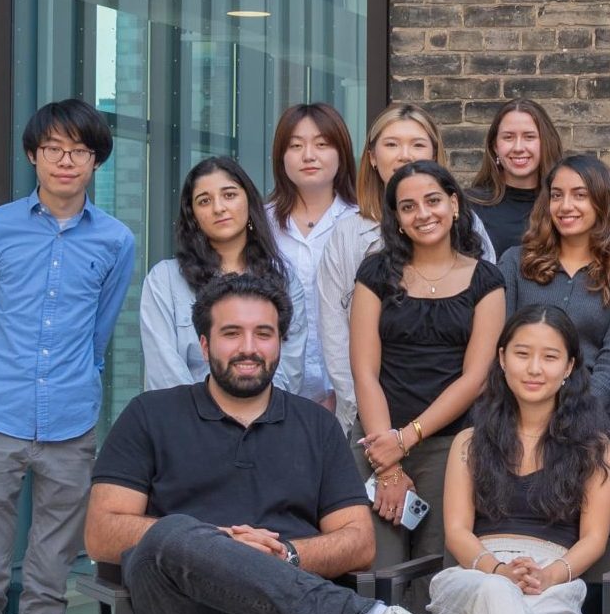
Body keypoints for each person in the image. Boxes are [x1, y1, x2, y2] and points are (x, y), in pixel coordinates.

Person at [86, 274, 458, 614]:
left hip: (282, 613)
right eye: (231, 333)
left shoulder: (316, 425)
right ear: (205, 344)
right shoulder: (150, 414)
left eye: (263, 333)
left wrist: (286, 556)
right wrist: (220, 544)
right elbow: (101, 532)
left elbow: (358, 541)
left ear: (280, 342)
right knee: (173, 532)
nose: (249, 348)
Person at [0, 98, 138, 614]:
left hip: (69, 424)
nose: (66, 160)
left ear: (95, 161)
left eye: (80, 150)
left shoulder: (115, 241)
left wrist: (77, 381)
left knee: (48, 576)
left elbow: (99, 332)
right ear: (34, 155)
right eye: (54, 149)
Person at [431, 305, 610, 614]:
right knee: (497, 598)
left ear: (569, 367)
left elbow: (594, 539)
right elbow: (456, 531)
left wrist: (548, 575)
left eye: (550, 357)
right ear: (501, 359)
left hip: (550, 587)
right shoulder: (470, 442)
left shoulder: (593, 447)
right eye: (522, 354)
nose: (534, 368)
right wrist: (498, 573)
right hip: (474, 581)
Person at [351, 160, 508, 584]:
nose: (423, 214)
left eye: (433, 200)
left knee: (438, 575)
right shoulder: (375, 273)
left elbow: (476, 378)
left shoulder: (486, 281)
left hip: (450, 446)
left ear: (454, 205)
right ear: (397, 220)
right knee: (377, 573)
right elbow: (364, 371)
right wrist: (387, 462)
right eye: (408, 206)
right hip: (375, 439)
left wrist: (408, 438)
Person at [319, 103, 497, 437]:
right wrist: (375, 428)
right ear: (372, 156)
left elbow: (484, 332)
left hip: (457, 427)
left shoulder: (468, 229)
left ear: (434, 152)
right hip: (372, 426)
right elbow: (334, 334)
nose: (405, 155)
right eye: (391, 144)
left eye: (417, 144)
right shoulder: (347, 235)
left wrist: (414, 432)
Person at [141, 156, 314, 395]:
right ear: (193, 216)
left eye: (229, 195)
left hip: (265, 424)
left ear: (249, 202)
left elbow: (290, 370)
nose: (218, 207)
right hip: (187, 423)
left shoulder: (284, 280)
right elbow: (164, 373)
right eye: (204, 201)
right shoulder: (165, 280)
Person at [501, 154, 610, 406]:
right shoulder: (516, 262)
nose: (565, 206)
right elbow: (499, 344)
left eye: (580, 195)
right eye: (557, 195)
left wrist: (576, 414)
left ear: (602, 202)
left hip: (586, 415)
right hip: (515, 410)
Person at [266, 102, 357, 406]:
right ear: (281, 156)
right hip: (273, 386)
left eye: (322, 144)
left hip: (350, 389)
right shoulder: (260, 225)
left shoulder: (365, 224)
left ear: (341, 154)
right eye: (295, 145)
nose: (309, 155)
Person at [470, 98, 564, 257]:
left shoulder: (565, 205)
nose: (518, 148)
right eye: (508, 137)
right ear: (495, 146)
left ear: (545, 143)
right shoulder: (470, 206)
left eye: (529, 137)